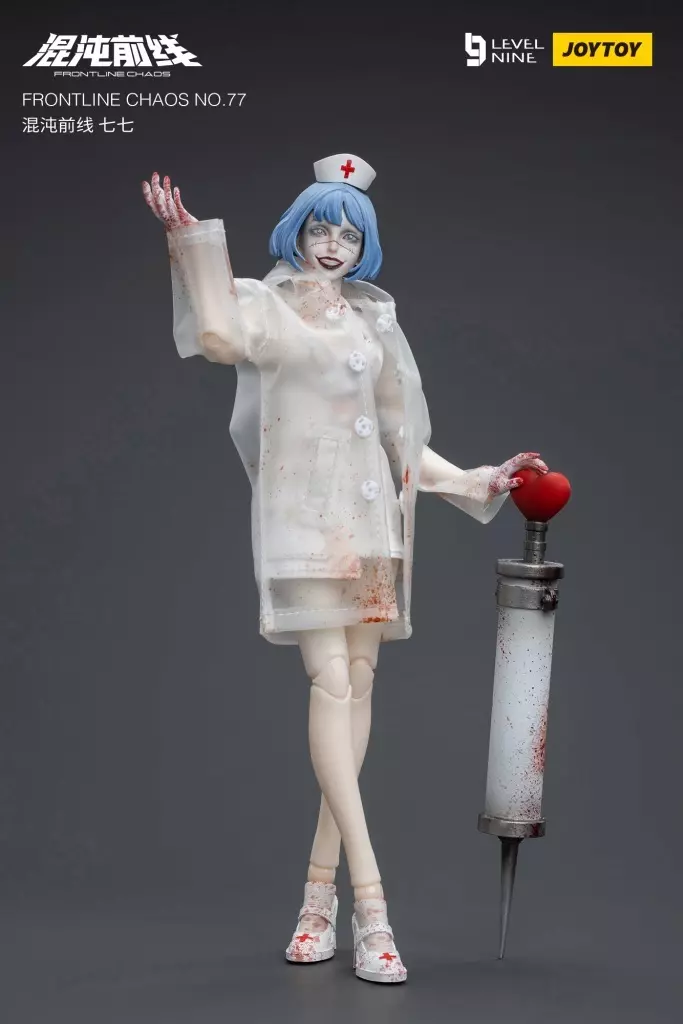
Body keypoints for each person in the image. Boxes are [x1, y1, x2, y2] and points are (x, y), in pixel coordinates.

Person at [142, 154, 547, 983]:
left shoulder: (373, 319)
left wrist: (475, 479)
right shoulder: (264, 305)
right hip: (303, 525)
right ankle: (372, 905)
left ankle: (314, 898)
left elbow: (400, 438)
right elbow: (216, 336)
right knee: (330, 684)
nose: (333, 244)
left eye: (349, 235)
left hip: (369, 530)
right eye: (320, 229)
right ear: (297, 232)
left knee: (357, 685)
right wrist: (190, 242)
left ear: (365, 246)